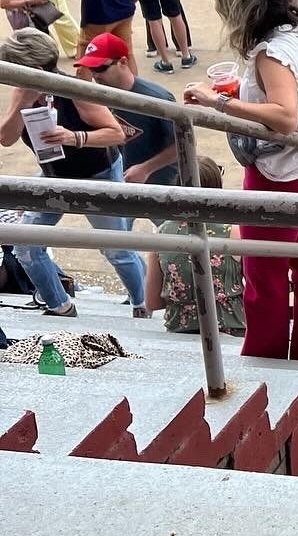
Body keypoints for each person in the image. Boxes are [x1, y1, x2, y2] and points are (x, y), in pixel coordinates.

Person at [182, 0, 298, 362]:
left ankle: (264, 360)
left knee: (263, 276)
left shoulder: (272, 51)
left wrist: (222, 102)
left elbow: (283, 116)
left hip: (276, 170)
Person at [0, 27, 148, 317]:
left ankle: (143, 307)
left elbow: (116, 133)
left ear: (32, 69)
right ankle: (60, 305)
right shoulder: (22, 94)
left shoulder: (74, 91)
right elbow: (6, 138)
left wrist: (74, 137)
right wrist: (21, 103)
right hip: (54, 175)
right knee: (26, 244)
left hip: (98, 174)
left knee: (116, 248)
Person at [143, 154, 247, 336]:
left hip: (180, 329)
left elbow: (152, 302)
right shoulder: (234, 232)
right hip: (231, 327)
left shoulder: (161, 233)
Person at [74, 31, 178, 192]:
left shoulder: (157, 98)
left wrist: (146, 169)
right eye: (91, 69)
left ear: (123, 62)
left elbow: (182, 145)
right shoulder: (98, 96)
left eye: (101, 68)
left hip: (161, 185)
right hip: (120, 181)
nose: (95, 75)